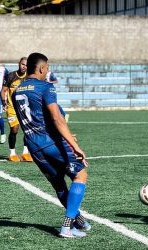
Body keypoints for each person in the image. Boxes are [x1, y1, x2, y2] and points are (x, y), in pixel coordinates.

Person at [13, 52, 90, 238]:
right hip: (50, 142)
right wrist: (74, 145)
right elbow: (56, 118)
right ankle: (66, 225)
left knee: (60, 186)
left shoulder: (17, 91)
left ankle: (78, 222)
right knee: (80, 175)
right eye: (47, 68)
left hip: (33, 145)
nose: (47, 71)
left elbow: (35, 119)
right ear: (41, 68)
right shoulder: (46, 87)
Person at [0, 57, 33, 162]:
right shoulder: (11, 76)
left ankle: (25, 153)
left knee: (27, 130)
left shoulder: (29, 77)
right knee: (14, 129)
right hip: (12, 108)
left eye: (26, 65)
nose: (24, 67)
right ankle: (12, 153)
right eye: (23, 64)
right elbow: (3, 91)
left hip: (24, 107)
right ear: (19, 64)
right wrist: (3, 103)